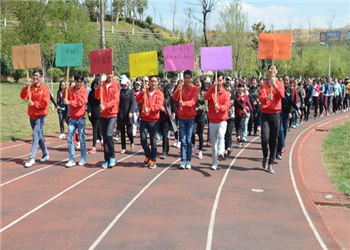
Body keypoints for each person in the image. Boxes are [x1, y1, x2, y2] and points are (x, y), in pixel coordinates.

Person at [20, 69, 50, 168]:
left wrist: (35, 104)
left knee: (35, 135)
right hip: (32, 115)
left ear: (41, 77)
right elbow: (23, 96)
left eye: (37, 75)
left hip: (40, 116)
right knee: (39, 136)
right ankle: (45, 153)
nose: (35, 77)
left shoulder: (45, 89)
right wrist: (26, 87)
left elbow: (45, 103)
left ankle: (31, 157)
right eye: (34, 76)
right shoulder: (31, 87)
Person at [259, 64, 285, 174]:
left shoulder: (280, 84)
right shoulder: (263, 85)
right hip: (265, 114)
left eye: (274, 69)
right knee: (265, 138)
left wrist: (275, 84)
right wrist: (266, 98)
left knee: (274, 140)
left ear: (276, 71)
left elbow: (281, 95)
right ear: (268, 71)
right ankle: (265, 155)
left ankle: (271, 163)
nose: (272, 70)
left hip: (275, 114)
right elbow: (261, 98)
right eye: (270, 69)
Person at [136, 75, 164, 169]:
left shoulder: (159, 93)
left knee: (153, 141)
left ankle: (153, 159)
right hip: (144, 119)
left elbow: (159, 106)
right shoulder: (145, 91)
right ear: (149, 82)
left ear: (157, 83)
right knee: (143, 139)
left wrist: (150, 109)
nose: (153, 83)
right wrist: (141, 93)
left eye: (155, 81)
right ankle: (148, 155)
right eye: (151, 81)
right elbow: (137, 100)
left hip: (154, 120)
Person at [95, 67, 120, 168]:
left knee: (109, 134)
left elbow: (115, 100)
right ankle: (106, 159)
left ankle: (112, 156)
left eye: (111, 73)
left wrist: (105, 105)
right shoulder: (103, 85)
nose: (110, 75)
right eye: (108, 73)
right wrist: (98, 87)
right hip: (103, 114)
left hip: (112, 114)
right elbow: (96, 96)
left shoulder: (116, 86)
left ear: (113, 74)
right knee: (104, 137)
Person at [204, 72, 230, 170]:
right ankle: (215, 162)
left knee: (221, 135)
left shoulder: (226, 93)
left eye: (220, 80)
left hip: (222, 120)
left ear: (223, 81)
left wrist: (219, 107)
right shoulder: (212, 91)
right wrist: (211, 88)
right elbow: (206, 97)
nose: (218, 82)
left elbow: (226, 106)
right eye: (217, 80)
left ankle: (221, 152)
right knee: (213, 143)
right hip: (212, 120)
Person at [173, 70, 198, 169]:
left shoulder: (194, 89)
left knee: (188, 140)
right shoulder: (180, 88)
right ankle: (183, 160)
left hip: (191, 117)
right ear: (183, 78)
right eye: (185, 78)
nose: (187, 80)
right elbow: (174, 98)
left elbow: (193, 101)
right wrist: (177, 90)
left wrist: (184, 103)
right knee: (182, 140)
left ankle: (189, 160)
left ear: (191, 79)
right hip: (182, 117)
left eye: (188, 78)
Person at [63, 72, 88, 167]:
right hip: (72, 118)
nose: (79, 84)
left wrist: (69, 102)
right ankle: (72, 159)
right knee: (70, 139)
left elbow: (80, 102)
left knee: (82, 139)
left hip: (81, 118)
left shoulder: (84, 91)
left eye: (81, 82)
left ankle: (83, 158)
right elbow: (64, 98)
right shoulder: (70, 90)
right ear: (75, 81)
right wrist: (64, 90)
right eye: (78, 82)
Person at [158, 80, 176, 159]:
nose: (160, 87)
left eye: (161, 86)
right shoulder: (158, 95)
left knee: (165, 134)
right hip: (159, 117)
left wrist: (173, 113)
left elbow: (172, 106)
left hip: (166, 118)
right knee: (162, 134)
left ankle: (164, 151)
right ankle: (167, 148)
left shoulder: (169, 96)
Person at [117, 75, 135, 154]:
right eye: (122, 84)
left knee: (129, 131)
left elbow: (132, 102)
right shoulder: (120, 92)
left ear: (128, 83)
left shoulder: (131, 92)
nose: (124, 85)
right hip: (121, 114)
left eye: (125, 84)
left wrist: (131, 111)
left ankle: (131, 141)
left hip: (128, 114)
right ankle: (123, 147)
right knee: (122, 132)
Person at [191, 77, 207, 159]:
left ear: (201, 83)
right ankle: (194, 145)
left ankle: (200, 151)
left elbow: (205, 105)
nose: (197, 84)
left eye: (198, 82)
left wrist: (198, 108)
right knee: (192, 132)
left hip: (201, 116)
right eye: (196, 82)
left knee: (200, 134)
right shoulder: (192, 92)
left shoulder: (204, 93)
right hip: (193, 116)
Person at [87, 78, 102, 154]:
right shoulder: (90, 93)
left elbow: (100, 102)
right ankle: (102, 141)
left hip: (98, 114)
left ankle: (93, 147)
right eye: (94, 84)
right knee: (98, 130)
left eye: (97, 84)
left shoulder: (100, 93)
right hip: (91, 114)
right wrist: (89, 111)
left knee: (95, 130)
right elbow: (89, 103)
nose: (95, 85)